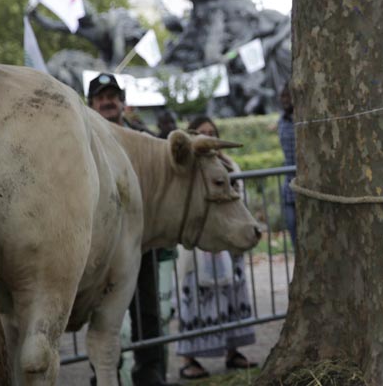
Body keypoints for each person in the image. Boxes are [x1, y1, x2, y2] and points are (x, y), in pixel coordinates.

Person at [87, 73, 174, 386]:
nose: (107, 101)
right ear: (91, 104)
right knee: (102, 315)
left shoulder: (145, 138)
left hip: (141, 243)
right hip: (102, 248)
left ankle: (150, 372)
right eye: (100, 96)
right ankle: (105, 374)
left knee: (147, 311)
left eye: (112, 95)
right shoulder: (84, 143)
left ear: (122, 102)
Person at [176, 116, 257, 380]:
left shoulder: (230, 165)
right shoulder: (187, 170)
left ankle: (233, 351)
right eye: (203, 133)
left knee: (232, 295)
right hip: (199, 245)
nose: (209, 138)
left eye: (213, 132)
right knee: (197, 299)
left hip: (228, 244)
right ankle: (190, 358)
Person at [276, 83, 297, 245]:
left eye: (288, 96)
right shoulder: (281, 122)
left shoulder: (302, 120)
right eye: (283, 96)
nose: (285, 100)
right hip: (289, 190)